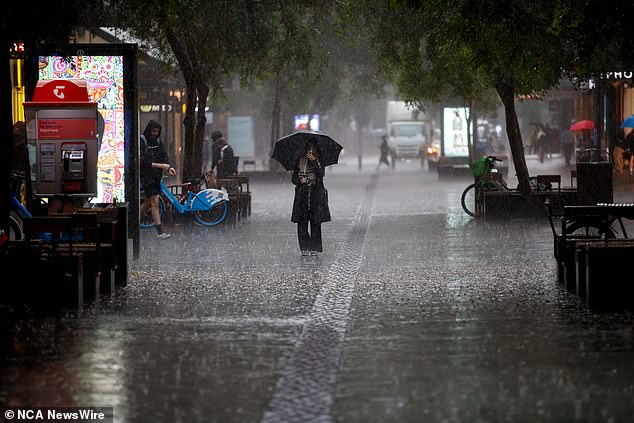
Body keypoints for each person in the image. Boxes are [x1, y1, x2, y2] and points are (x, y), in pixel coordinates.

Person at [291, 139, 331, 256]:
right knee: (302, 222)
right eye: (308, 147)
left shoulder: (319, 160)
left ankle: (315, 247)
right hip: (302, 194)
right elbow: (293, 179)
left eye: (312, 148)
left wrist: (314, 161)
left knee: (315, 222)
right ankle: (305, 247)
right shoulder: (300, 160)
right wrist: (300, 180)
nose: (310, 150)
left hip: (315, 194)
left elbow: (321, 173)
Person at [139, 120, 176, 239]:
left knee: (148, 202)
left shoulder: (158, 142)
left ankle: (132, 225)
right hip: (146, 176)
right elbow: (143, 162)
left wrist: (168, 167)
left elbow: (164, 155)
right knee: (155, 201)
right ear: (149, 129)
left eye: (157, 131)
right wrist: (161, 166)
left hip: (156, 177)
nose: (155, 134)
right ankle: (159, 231)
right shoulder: (142, 141)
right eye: (153, 131)